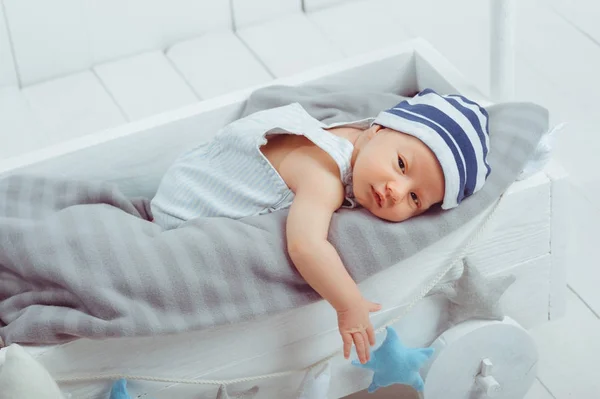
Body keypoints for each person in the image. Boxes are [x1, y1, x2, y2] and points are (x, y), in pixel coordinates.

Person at [150, 88, 491, 364]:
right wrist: (348, 304)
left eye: (415, 199)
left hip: (194, 167)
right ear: (375, 132)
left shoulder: (360, 144)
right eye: (401, 165)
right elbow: (306, 246)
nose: (395, 191)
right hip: (187, 208)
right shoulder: (324, 175)